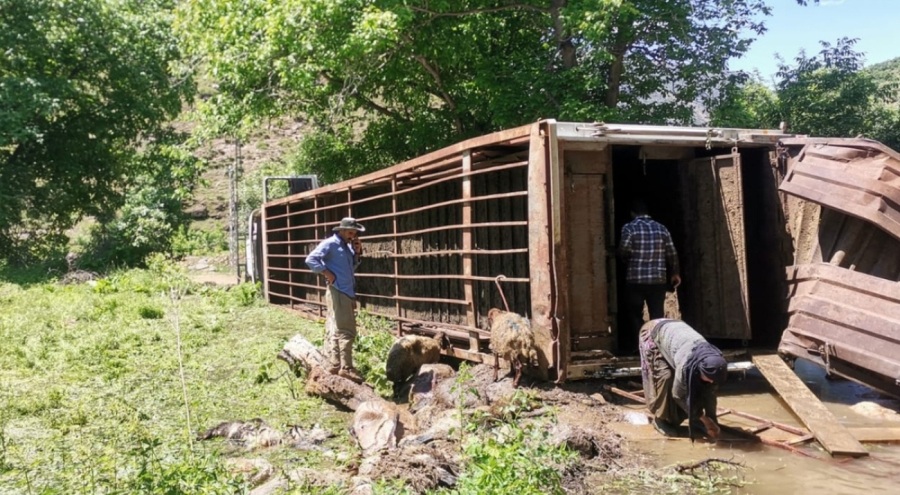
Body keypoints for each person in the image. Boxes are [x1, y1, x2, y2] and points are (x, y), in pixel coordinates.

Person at [639, 318, 727, 441]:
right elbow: (678, 395)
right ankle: (661, 419)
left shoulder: (715, 361)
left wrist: (712, 420)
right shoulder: (687, 364)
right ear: (699, 369)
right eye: (709, 378)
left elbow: (710, 393)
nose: (712, 382)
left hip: (675, 331)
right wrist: (703, 419)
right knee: (666, 377)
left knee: (703, 386)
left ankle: (695, 418)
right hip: (653, 332)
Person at [306, 217, 366, 383]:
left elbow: (350, 268)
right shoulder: (330, 243)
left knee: (337, 328)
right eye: (350, 232)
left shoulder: (346, 247)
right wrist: (326, 272)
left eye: (354, 233)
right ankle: (346, 368)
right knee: (347, 330)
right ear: (341, 230)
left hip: (344, 290)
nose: (352, 235)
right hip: (339, 290)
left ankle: (335, 364)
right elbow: (311, 259)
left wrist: (357, 252)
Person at [618, 199, 681, 351]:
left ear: (632, 213)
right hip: (657, 279)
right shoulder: (661, 228)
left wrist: (626, 261)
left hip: (635, 279)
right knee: (657, 314)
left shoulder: (629, 228)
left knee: (634, 313)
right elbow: (671, 252)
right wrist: (675, 273)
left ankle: (640, 345)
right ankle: (657, 347)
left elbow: (624, 250)